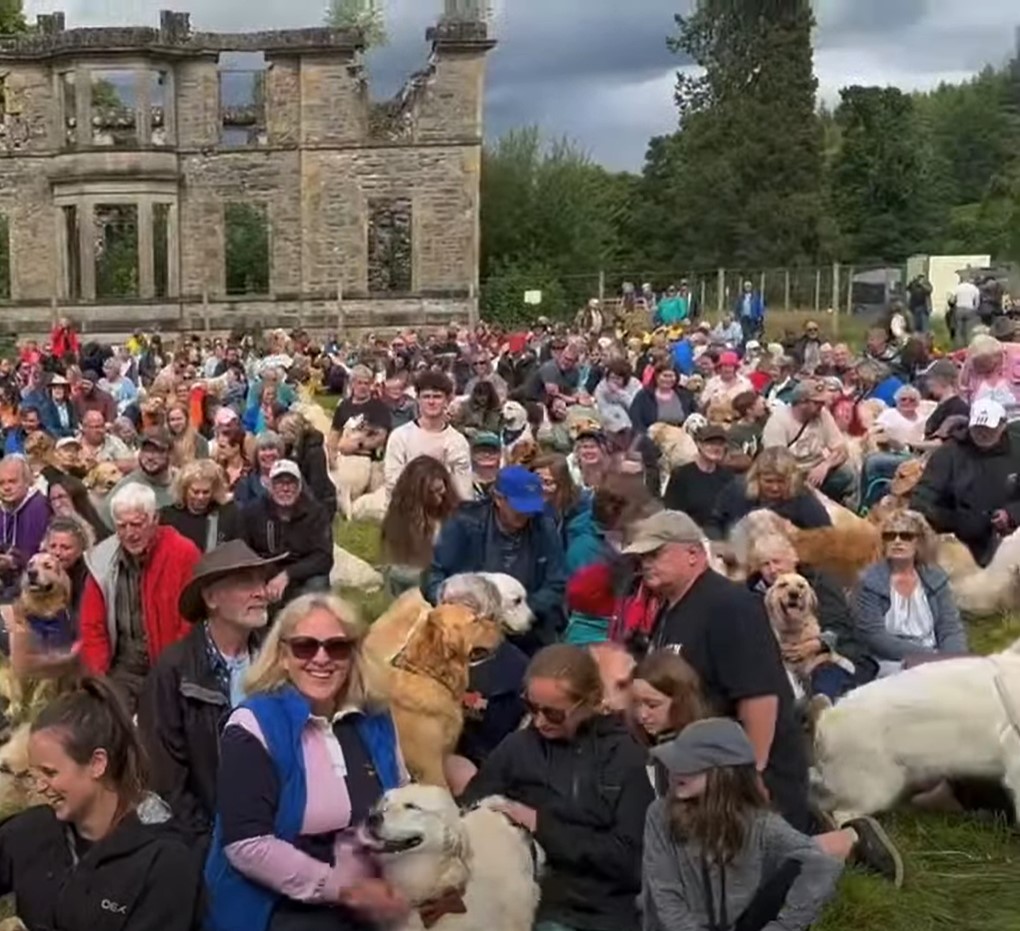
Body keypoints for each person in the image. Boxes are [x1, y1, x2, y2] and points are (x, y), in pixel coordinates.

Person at [203, 593, 407, 931]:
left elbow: (401, 801)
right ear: (283, 656)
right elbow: (246, 845)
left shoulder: (377, 721)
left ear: (354, 654)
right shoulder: (254, 724)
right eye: (305, 646)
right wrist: (344, 888)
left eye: (337, 647)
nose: (321, 658)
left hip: (370, 895)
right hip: (276, 905)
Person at [623, 510, 811, 831]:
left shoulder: (729, 606)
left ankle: (848, 839)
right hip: (700, 766)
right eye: (641, 558)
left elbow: (760, 696)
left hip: (747, 768)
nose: (646, 564)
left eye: (655, 554)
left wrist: (753, 772)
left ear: (694, 554)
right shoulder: (672, 608)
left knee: (763, 867)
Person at [457, 644, 653, 931]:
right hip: (523, 904)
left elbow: (630, 861)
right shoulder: (518, 748)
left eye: (554, 714)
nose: (539, 721)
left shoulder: (624, 757)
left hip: (596, 913)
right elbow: (465, 811)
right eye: (531, 707)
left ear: (590, 702)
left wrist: (542, 826)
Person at [0, 678, 201, 931]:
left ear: (97, 763)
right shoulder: (29, 832)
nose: (39, 786)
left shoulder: (163, 863)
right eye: (35, 773)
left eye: (50, 773)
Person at [139, 541, 283, 844]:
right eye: (246, 582)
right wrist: (207, 838)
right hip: (207, 834)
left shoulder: (278, 662)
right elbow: (167, 775)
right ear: (211, 597)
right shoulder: (174, 671)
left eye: (262, 581)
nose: (261, 592)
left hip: (277, 827)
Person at [642, 719, 842, 931]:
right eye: (673, 763)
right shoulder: (660, 815)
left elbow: (821, 863)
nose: (674, 771)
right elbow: (666, 898)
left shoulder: (760, 825)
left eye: (688, 764)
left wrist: (785, 926)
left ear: (724, 772)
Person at [79, 483, 202, 709]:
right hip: (123, 668)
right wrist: (99, 679)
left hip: (170, 667)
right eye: (121, 526)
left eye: (136, 524)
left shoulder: (184, 552)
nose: (129, 534)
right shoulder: (102, 560)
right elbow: (92, 627)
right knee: (105, 719)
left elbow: (191, 621)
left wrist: (172, 673)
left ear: (155, 519)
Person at [424, 466, 567, 653]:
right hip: (470, 628)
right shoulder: (464, 524)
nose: (527, 515)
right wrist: (452, 606)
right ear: (499, 499)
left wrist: (524, 609)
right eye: (519, 507)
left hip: (529, 628)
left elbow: (557, 583)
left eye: (531, 508)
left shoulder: (544, 527)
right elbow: (434, 575)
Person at [747, 534, 876, 700]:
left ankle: (823, 708)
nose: (773, 570)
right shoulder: (750, 594)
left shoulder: (819, 581)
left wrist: (818, 644)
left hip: (828, 655)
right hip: (776, 664)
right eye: (765, 564)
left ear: (793, 558)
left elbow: (841, 627)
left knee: (826, 675)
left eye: (777, 561)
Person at [853, 510, 968, 676]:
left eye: (906, 536)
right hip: (891, 661)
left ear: (919, 543)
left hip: (937, 659)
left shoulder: (936, 579)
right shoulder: (869, 581)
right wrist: (931, 658)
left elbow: (950, 629)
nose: (897, 541)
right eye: (890, 536)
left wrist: (953, 660)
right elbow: (875, 636)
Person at [912, 398, 1020, 566]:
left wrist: (1012, 514)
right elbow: (921, 500)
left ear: (1003, 425)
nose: (982, 434)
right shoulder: (948, 453)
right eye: (978, 428)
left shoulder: (1017, 450)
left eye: (988, 429)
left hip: (1010, 540)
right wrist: (956, 520)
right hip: (957, 543)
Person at [238, 459, 334, 606]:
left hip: (300, 575)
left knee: (319, 582)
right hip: (263, 574)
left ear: (300, 486)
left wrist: (288, 575)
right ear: (270, 486)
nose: (285, 489)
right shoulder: (252, 512)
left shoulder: (316, 513)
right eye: (279, 483)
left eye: (290, 483)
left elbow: (324, 557)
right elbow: (243, 551)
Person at [383, 371, 472, 501]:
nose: (431, 402)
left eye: (437, 397)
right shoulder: (400, 436)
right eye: (426, 397)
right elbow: (393, 481)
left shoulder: (457, 441)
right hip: (408, 505)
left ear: (447, 401)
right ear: (418, 399)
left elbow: (464, 489)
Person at [761, 379, 853, 503]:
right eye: (817, 403)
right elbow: (777, 464)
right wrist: (801, 481)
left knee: (846, 474)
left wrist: (825, 466)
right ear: (802, 402)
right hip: (792, 473)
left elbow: (841, 449)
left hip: (817, 469)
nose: (822, 407)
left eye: (822, 403)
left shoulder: (823, 415)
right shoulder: (778, 422)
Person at [380, 456, 460, 597]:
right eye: (430, 493)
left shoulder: (456, 514)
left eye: (439, 489)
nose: (437, 497)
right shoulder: (402, 523)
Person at [711, 447, 832, 538]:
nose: (775, 487)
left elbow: (826, 533)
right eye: (768, 481)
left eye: (781, 482)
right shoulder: (737, 490)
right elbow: (714, 523)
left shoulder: (801, 496)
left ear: (791, 480)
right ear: (756, 478)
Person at [159, 459, 241, 553]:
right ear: (185, 490)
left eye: (206, 492)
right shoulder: (168, 517)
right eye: (195, 492)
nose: (200, 497)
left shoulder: (228, 514)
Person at [663, 425, 735, 532]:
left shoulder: (728, 476)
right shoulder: (681, 475)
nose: (716, 448)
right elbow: (672, 511)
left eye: (720, 444)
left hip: (721, 534)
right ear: (699, 445)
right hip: (688, 534)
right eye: (710, 443)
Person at [102, 427, 176, 528]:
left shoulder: (183, 484)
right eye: (146, 451)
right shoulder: (125, 490)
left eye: (157, 451)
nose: (150, 457)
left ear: (170, 454)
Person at [0, 455, 52, 596]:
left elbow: (37, 553)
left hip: (33, 583)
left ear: (27, 481)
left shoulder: (39, 506)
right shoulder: (2, 508)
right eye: (1, 483)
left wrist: (12, 562)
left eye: (12, 481)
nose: (6, 488)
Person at [277, 412, 337, 520]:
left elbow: (317, 485)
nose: (280, 437)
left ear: (294, 432)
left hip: (321, 502)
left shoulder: (315, 451)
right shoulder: (289, 448)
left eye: (283, 433)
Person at [328, 364, 391, 465]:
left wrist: (358, 445)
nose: (363, 387)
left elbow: (381, 437)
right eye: (359, 383)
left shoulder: (379, 407)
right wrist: (332, 454)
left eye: (366, 384)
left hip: (368, 459)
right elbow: (334, 434)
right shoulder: (343, 406)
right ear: (352, 384)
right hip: (343, 458)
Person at [629, 363, 695, 434]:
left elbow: (693, 416)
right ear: (657, 376)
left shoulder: (684, 395)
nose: (668, 379)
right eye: (665, 376)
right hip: (651, 439)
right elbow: (636, 421)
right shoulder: (643, 396)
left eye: (671, 376)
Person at [47, 472, 109, 543]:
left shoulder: (99, 523)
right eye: (53, 499)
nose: (57, 504)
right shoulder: (51, 530)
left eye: (61, 497)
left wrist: (76, 518)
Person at [234, 430, 285, 506]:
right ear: (256, 454)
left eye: (271, 448)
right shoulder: (245, 482)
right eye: (263, 449)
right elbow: (241, 511)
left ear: (280, 452)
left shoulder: (292, 477)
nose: (268, 454)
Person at [923, 359, 969, 444]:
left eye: (929, 379)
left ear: (941, 379)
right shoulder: (942, 405)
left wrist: (910, 443)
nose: (927, 383)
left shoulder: (958, 408)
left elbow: (944, 443)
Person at [725, 391, 769, 472]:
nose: (764, 407)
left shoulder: (761, 424)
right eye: (761, 404)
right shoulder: (734, 433)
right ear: (749, 410)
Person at [594, 358, 642, 429]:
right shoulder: (603, 385)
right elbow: (600, 404)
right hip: (609, 419)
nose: (614, 381)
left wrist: (620, 393)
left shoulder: (635, 384)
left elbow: (636, 408)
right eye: (612, 378)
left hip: (630, 421)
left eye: (618, 379)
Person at [167, 401, 209, 467]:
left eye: (179, 419)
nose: (176, 423)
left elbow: (204, 467)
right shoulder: (164, 440)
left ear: (186, 419)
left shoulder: (200, 441)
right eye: (172, 420)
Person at [39, 374, 78, 439]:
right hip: (54, 439)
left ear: (65, 390)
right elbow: (50, 429)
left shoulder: (70, 405)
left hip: (72, 438)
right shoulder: (46, 407)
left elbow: (75, 424)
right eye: (54, 388)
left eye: (60, 388)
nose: (57, 391)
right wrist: (71, 432)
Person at [468, 430, 502, 497]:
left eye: (492, 450)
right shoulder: (461, 480)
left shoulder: (507, 482)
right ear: (471, 452)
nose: (487, 454)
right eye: (481, 450)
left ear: (500, 454)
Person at [952, 275, 982, 348]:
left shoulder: (958, 287)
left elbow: (952, 298)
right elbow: (977, 301)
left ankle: (959, 346)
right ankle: (968, 346)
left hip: (959, 308)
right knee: (969, 329)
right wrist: (975, 308)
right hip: (970, 309)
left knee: (959, 329)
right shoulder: (974, 288)